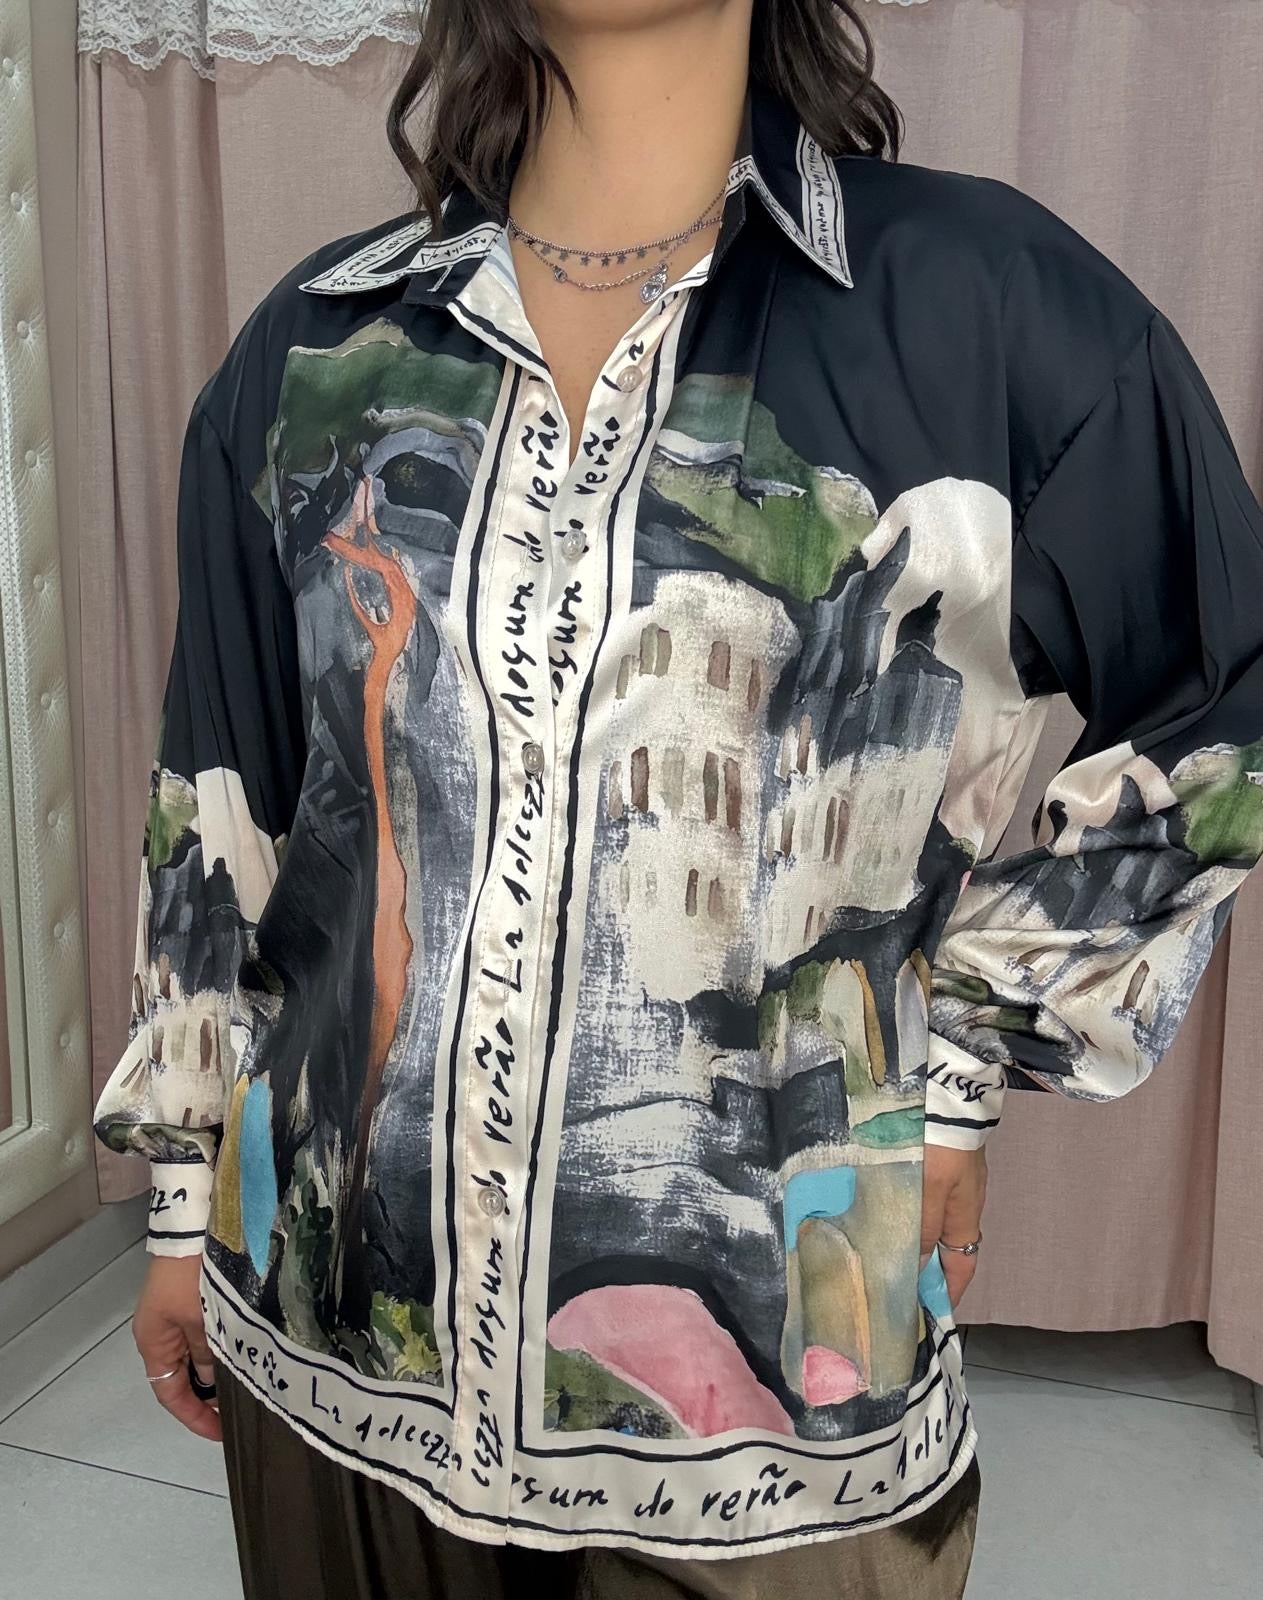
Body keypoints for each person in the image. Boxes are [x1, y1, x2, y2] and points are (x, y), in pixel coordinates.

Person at [91, 2, 1263, 1597]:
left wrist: (966, 1060)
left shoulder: (983, 314)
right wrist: (182, 1210)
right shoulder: (312, 354)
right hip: (330, 1365)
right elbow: (217, 802)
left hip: (772, 1438)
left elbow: (1225, 700)